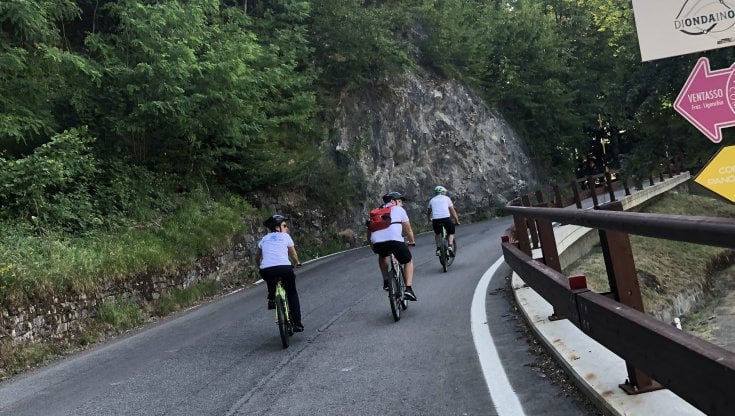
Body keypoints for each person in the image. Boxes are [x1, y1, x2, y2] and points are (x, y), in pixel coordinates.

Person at [255, 214, 304, 332]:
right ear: (278, 227)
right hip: (284, 268)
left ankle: (272, 297)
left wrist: (259, 267)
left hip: (266, 269)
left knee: (270, 278)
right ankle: (297, 323)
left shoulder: (264, 239)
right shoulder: (285, 236)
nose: (286, 228)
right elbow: (292, 253)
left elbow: (257, 257)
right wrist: (297, 262)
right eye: (284, 225)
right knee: (292, 293)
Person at [367, 191, 417, 301]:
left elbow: (369, 232)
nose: (401, 204)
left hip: (377, 243)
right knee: (408, 260)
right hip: (395, 241)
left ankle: (386, 281)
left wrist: (373, 247)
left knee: (382, 255)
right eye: (399, 201)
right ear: (392, 201)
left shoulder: (376, 212)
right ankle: (408, 289)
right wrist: (411, 241)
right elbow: (408, 229)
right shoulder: (399, 210)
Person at [427, 185, 460, 257]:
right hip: (446, 219)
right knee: (451, 232)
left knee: (437, 233)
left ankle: (438, 249)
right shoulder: (447, 199)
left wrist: (429, 219)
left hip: (436, 220)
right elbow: (452, 211)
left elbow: (429, 212)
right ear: (442, 192)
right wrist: (456, 220)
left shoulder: (432, 200)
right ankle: (450, 246)